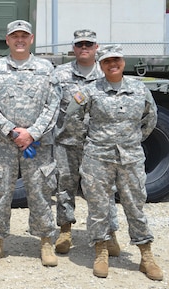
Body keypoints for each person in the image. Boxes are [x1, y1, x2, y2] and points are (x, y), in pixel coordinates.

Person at [65, 44, 163, 280]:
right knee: (98, 207)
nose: (113, 64)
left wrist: (134, 140)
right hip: (97, 158)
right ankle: (101, 251)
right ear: (101, 65)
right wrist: (88, 141)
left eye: (116, 60)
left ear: (123, 62)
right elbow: (71, 117)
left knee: (135, 205)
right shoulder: (89, 90)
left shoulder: (139, 89)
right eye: (107, 61)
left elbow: (151, 118)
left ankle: (146, 255)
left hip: (130, 158)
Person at [0, 20, 60, 266]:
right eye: (15, 36)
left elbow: (53, 105)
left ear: (31, 39)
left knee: (40, 192)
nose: (20, 40)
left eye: (24, 35)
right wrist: (12, 131)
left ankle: (46, 242)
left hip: (38, 144)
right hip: (5, 144)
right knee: (0, 191)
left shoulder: (46, 68)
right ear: (8, 40)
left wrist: (32, 133)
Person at [52, 29, 120, 255]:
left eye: (88, 44)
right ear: (73, 47)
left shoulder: (106, 73)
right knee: (65, 186)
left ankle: (109, 234)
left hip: (98, 144)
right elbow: (51, 106)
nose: (84, 48)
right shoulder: (60, 74)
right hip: (67, 142)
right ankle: (65, 230)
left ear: (96, 47)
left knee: (104, 190)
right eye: (80, 44)